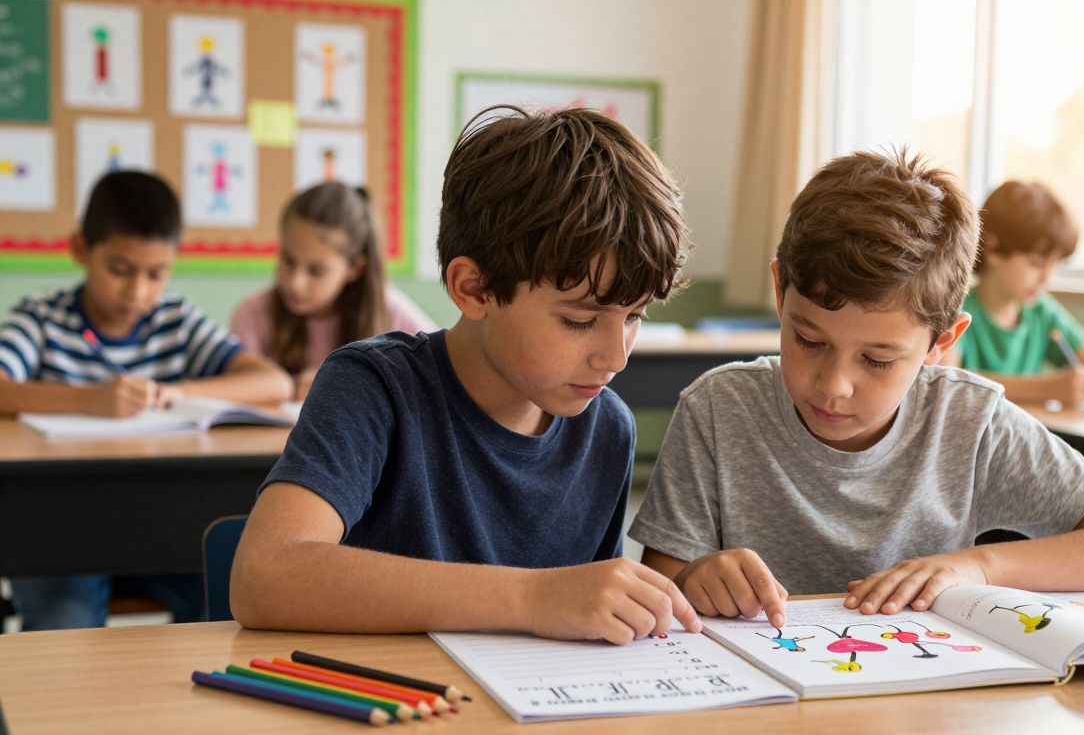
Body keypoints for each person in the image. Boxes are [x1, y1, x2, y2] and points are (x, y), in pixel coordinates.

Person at [630, 151, 1084, 629]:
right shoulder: (718, 410)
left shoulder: (969, 421)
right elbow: (663, 583)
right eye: (808, 339)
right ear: (780, 292)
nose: (834, 385)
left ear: (941, 342)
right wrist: (695, 578)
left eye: (878, 360)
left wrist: (980, 567)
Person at [230, 106, 702, 643]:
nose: (617, 357)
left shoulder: (607, 426)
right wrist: (532, 597)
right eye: (579, 320)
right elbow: (263, 576)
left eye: (635, 316)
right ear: (474, 289)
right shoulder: (372, 388)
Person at [0, 170, 292, 630]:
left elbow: (272, 382)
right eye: (120, 270)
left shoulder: (175, 320)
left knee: (225, 598)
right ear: (80, 249)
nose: (137, 291)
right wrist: (86, 400)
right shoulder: (41, 318)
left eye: (156, 274)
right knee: (67, 620)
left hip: (159, 526)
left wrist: (180, 392)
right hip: (60, 528)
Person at [230, 183, 435, 400]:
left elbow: (439, 381)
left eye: (316, 271)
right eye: (288, 260)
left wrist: (343, 385)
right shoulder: (253, 313)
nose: (295, 282)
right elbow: (234, 391)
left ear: (355, 268)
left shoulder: (390, 313)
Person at [942, 181, 1084, 406]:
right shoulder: (957, 311)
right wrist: (1046, 389)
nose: (1047, 279)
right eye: (1037, 263)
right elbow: (946, 381)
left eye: (1055, 265)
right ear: (993, 249)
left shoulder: (1042, 312)